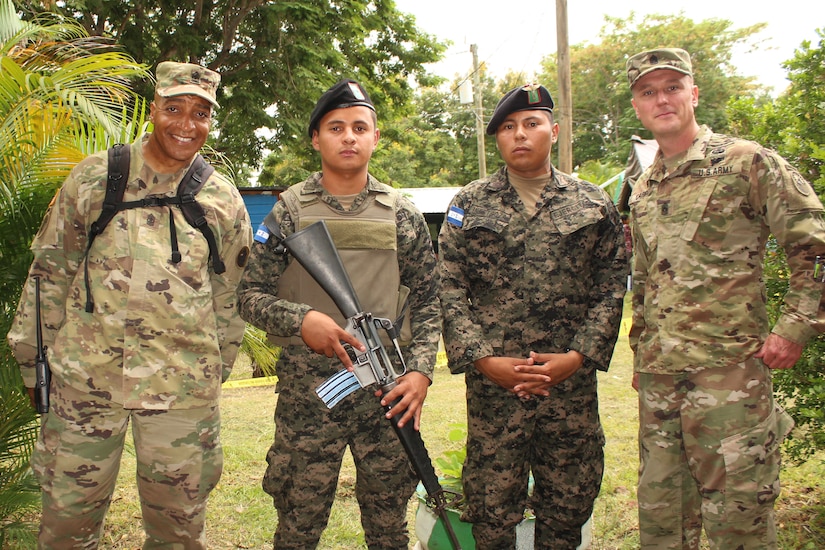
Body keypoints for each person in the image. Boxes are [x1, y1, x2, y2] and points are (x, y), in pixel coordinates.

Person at [6, 61, 253, 549]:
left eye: (200, 114)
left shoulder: (221, 199)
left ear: (210, 120)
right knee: (64, 524)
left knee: (178, 531)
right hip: (84, 383)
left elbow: (232, 296)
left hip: (180, 391)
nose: (186, 124)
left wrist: (215, 369)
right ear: (154, 108)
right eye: (174, 108)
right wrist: (31, 358)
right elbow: (49, 275)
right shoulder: (97, 178)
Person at [625, 47, 825, 549]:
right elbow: (645, 279)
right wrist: (640, 353)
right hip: (661, 382)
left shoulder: (744, 162)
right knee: (662, 522)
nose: (662, 99)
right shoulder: (644, 187)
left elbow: (815, 245)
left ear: (693, 93)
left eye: (672, 87)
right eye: (648, 91)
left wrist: (795, 326)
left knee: (741, 521)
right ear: (636, 107)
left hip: (729, 379)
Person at [236, 78, 441, 549]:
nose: (348, 137)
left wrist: (422, 374)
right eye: (335, 127)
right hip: (309, 391)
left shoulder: (402, 214)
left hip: (388, 388)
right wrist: (302, 320)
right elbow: (250, 295)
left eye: (359, 127)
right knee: (298, 524)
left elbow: (431, 301)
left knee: (388, 526)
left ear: (375, 137)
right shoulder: (288, 211)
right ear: (316, 138)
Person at [438, 83, 628, 548]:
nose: (519, 134)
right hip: (494, 391)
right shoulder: (469, 203)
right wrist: (483, 360)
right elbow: (448, 285)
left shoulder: (592, 202)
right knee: (490, 510)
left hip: (569, 390)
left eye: (531, 123)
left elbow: (611, 284)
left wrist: (578, 356)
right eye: (507, 127)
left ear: (554, 131)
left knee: (566, 507)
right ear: (497, 139)